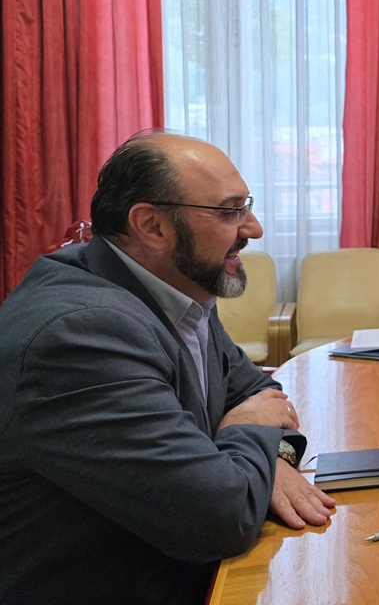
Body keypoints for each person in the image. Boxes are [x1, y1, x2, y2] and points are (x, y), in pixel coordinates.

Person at [0, 131, 337, 605]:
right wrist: (244, 435)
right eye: (229, 211)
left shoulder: (178, 287)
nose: (254, 228)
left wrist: (268, 462)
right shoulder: (80, 335)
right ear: (152, 226)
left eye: (247, 206)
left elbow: (263, 400)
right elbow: (220, 518)